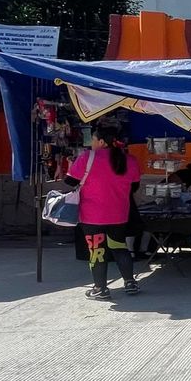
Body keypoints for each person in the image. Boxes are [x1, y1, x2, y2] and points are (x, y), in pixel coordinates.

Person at [65, 124, 145, 300]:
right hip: (119, 214)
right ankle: (130, 283)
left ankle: (100, 289)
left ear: (101, 141)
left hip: (92, 216)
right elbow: (134, 186)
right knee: (119, 247)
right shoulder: (129, 160)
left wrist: (71, 164)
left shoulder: (87, 157)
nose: (91, 143)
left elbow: (69, 181)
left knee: (97, 251)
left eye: (93, 139)